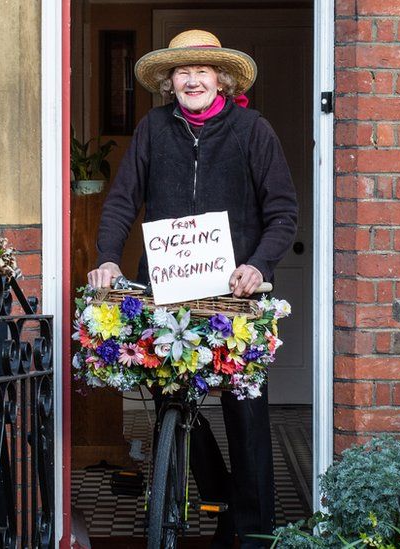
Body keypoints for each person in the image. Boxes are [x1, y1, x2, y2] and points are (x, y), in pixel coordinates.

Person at [86, 29, 298, 548]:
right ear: (169, 82)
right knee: (168, 398)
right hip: (167, 290)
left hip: (236, 294)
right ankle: (217, 492)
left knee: (245, 411)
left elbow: (282, 212)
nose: (193, 78)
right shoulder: (153, 129)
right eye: (183, 71)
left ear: (221, 79)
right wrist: (108, 260)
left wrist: (258, 264)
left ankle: (253, 531)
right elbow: (120, 202)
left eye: (203, 70)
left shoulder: (253, 130)